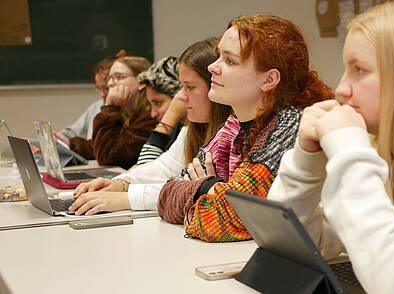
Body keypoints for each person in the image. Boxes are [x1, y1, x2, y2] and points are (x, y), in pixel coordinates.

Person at [268, 1, 394, 293]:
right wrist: (305, 163)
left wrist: (350, 152)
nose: (341, 89)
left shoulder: (364, 155)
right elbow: (290, 245)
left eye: (359, 69)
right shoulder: (386, 155)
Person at [157, 15, 333, 242]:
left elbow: (222, 220)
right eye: (218, 56)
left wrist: (204, 186)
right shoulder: (231, 128)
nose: (212, 67)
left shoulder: (290, 126)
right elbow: (166, 196)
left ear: (269, 79)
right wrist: (210, 189)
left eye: (229, 61)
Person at [69, 37, 232, 216]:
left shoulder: (233, 134)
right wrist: (119, 183)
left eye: (190, 87)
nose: (181, 97)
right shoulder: (193, 128)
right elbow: (164, 167)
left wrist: (128, 197)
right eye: (181, 87)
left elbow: (188, 190)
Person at [69, 56, 157, 169]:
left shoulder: (151, 116)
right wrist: (69, 144)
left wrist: (110, 107)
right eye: (109, 78)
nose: (110, 83)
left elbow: (108, 156)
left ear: (141, 82)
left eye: (119, 77)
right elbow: (98, 147)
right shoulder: (125, 111)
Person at [57, 53, 121, 143]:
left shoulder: (128, 111)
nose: (102, 94)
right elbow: (73, 132)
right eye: (99, 88)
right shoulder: (97, 106)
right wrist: (54, 139)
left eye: (106, 88)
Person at [136, 56, 184, 165]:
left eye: (158, 103)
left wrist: (169, 118)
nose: (153, 114)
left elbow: (145, 166)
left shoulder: (188, 130)